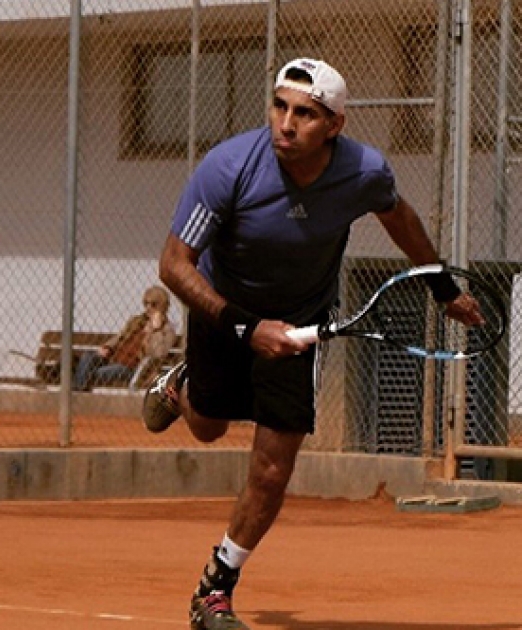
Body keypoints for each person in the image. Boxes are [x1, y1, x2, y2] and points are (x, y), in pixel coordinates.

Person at [141, 58, 484, 630]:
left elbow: (400, 218)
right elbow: (174, 266)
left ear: (334, 126)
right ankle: (184, 384)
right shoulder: (227, 168)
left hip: (302, 319)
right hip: (222, 312)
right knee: (207, 425)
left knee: (273, 468)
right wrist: (247, 328)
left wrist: (443, 288)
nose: (287, 123)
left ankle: (215, 590)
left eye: (305, 113)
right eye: (280, 106)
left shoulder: (364, 172)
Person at [73, 285, 177, 391]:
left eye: (153, 304)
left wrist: (156, 330)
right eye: (146, 303)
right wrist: (107, 347)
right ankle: (78, 389)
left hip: (130, 368)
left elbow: (158, 354)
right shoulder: (136, 321)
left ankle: (77, 392)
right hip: (113, 358)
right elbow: (119, 337)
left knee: (95, 373)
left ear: (163, 306)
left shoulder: (167, 330)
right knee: (87, 357)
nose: (148, 308)